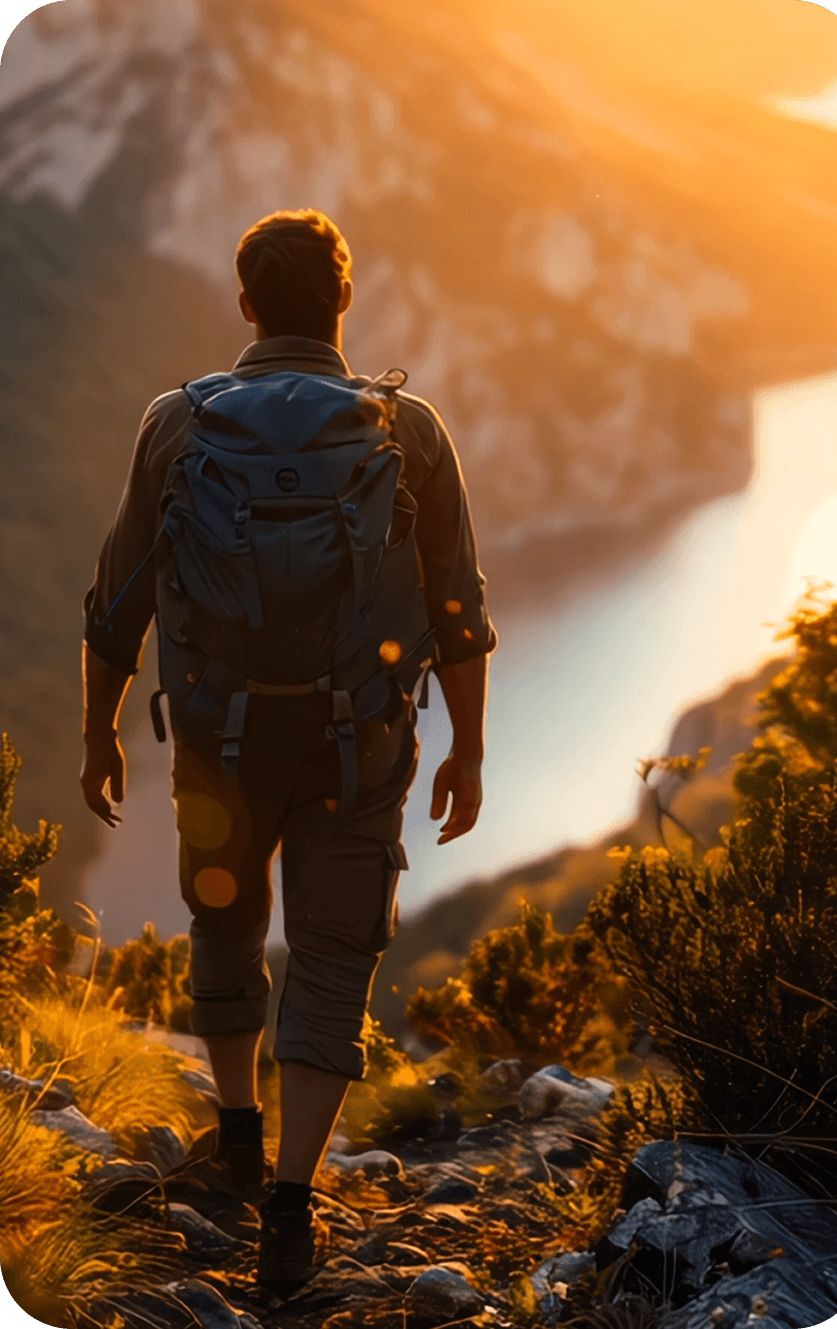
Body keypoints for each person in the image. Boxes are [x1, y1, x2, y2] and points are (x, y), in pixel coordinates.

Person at [80, 208, 496, 1294]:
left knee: (223, 917)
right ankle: (290, 1204)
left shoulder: (178, 423)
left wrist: (94, 734)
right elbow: (458, 608)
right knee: (332, 956)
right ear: (344, 302)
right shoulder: (411, 431)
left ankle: (230, 1131)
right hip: (358, 745)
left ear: (247, 303)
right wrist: (471, 749)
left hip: (218, 739)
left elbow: (115, 602)